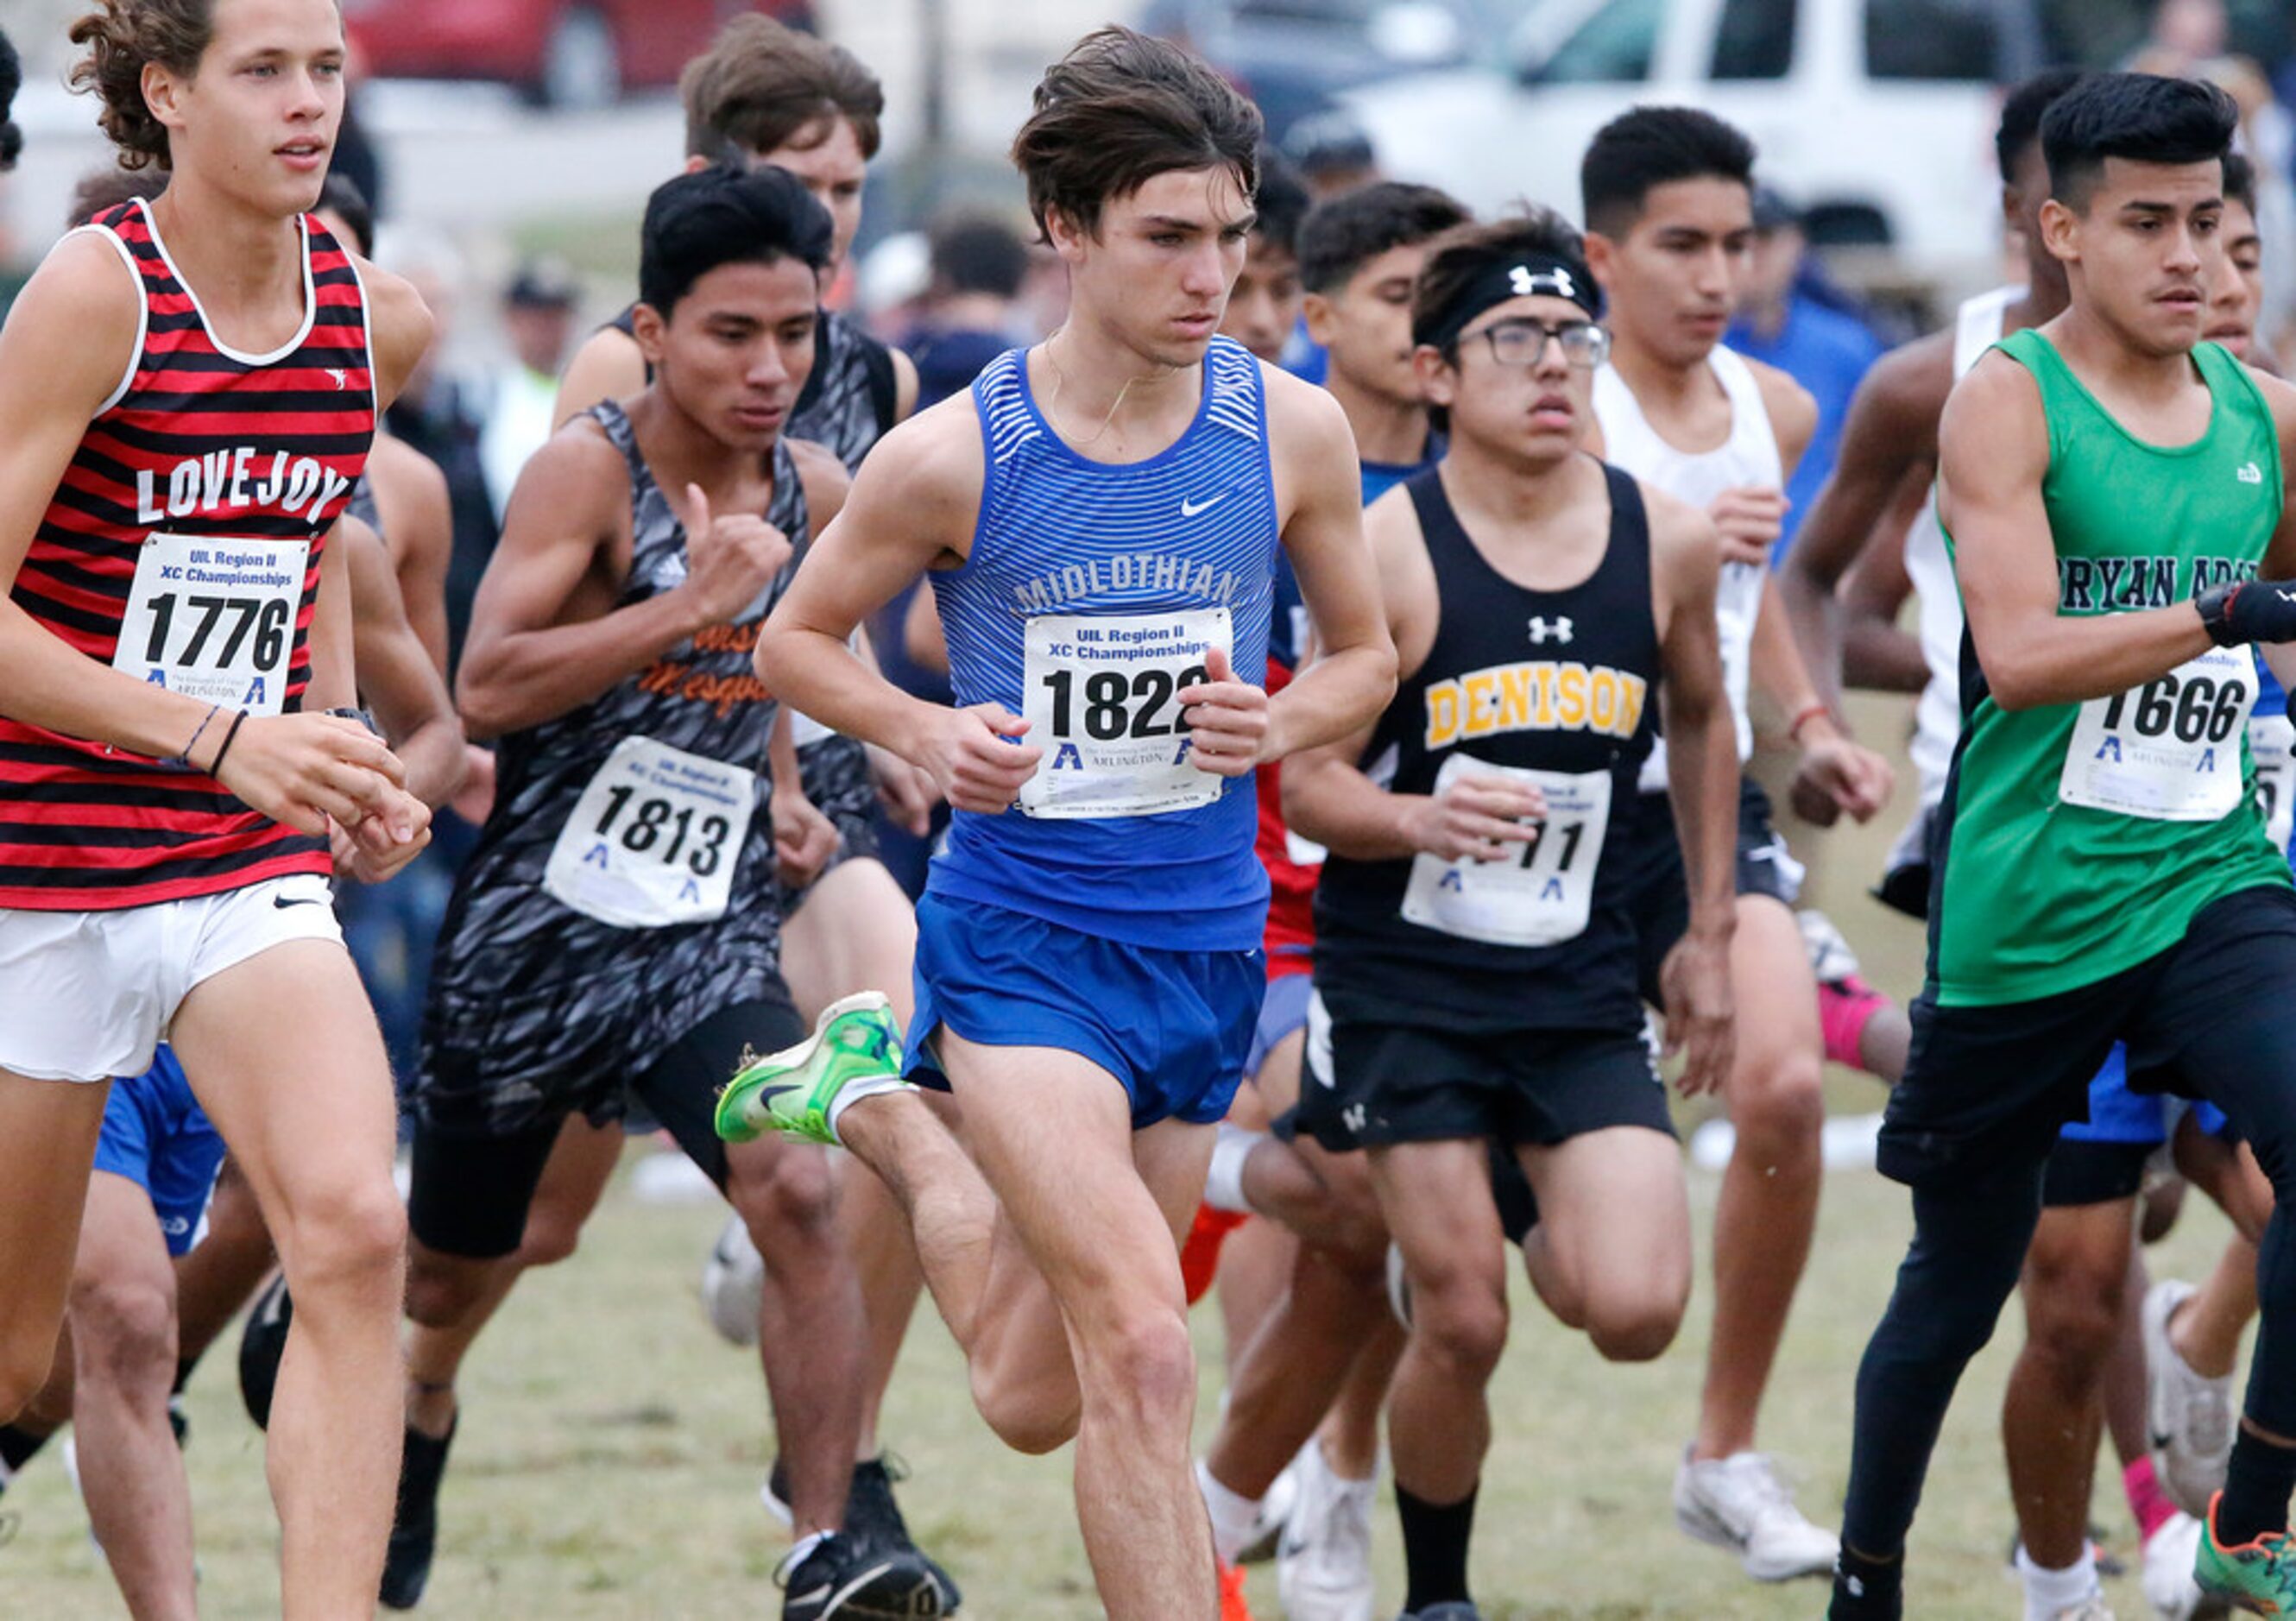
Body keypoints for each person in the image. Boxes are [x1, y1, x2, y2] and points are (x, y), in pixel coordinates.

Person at [728, 28, 1395, 1618]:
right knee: (1150, 1348)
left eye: (1232, 237)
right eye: (1170, 236)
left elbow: (1365, 657)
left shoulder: (1290, 430)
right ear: (1069, 229)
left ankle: (878, 1107)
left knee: (1039, 1389)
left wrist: (1280, 719)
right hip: (1024, 944)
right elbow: (793, 644)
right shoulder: (960, 450)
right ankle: (907, 1082)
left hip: (1204, 946)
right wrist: (926, 726)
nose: (1211, 274)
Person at [394, 163, 943, 1620]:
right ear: (652, 326)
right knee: (456, 1270)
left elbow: (785, 655)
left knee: (798, 1186)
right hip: (534, 940)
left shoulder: (817, 489)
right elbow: (486, 683)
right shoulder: (589, 467)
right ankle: (420, 1403)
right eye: (728, 335)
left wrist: (777, 774)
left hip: (700, 937)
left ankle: (824, 1545)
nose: (770, 370)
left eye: (795, 333)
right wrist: (682, 606)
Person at [1826, 72, 2296, 1619]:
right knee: (1965, 1286)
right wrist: (2223, 613)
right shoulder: (2005, 396)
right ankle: (1868, 1576)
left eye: (2210, 223)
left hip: (2209, 877)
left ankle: (2252, 1513)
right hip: (2028, 907)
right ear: (2061, 230)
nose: (2186, 256)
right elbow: (2020, 655)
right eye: (2144, 222)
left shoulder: (2269, 421)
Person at [0, 0, 434, 1612]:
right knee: (27, 1359)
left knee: (354, 1232)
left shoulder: (375, 315)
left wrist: (331, 746)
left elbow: (293, 542)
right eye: (266, 70)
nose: (308, 101)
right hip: (42, 861)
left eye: (327, 67)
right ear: (168, 92)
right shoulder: (92, 296)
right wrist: (219, 734)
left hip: (236, 860)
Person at [1284, 207, 1738, 1621]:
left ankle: (1517, 1183)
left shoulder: (1658, 538)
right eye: (1514, 339)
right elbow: (1305, 782)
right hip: (1407, 978)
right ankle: (1439, 1594)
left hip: (1575, 976)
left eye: (1573, 338)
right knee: (1466, 1313)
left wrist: (1710, 929)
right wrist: (1417, 816)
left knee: (1636, 1310)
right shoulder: (1389, 547)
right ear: (1435, 373)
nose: (1554, 365)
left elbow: (1708, 719)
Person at [1579, 103, 1892, 1581]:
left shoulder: (1775, 404)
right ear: (1603, 255)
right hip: (1540, 801)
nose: (1716, 274)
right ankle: (1321, 1469)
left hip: (1701, 806)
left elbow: (1748, 592)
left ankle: (1726, 1451)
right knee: (1458, 1234)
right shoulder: (1558, 404)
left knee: (1778, 1079)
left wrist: (1813, 718)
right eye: (1680, 245)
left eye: (1736, 242)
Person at [1186, 175, 1471, 1621]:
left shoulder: (1489, 478)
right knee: (1359, 1193)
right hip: (1258, 903)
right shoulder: (1262, 452)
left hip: (1430, 905)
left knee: (1411, 1237)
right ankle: (1299, 1505)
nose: (1438, 331)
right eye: (1407, 297)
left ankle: (1304, 1495)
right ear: (1321, 317)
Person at [1720, 186, 1883, 559]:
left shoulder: (1849, 348)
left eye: (1766, 239)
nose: (1754, 255)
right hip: (1717, 560)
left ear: (1796, 245)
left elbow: (1877, 470)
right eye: (1739, 242)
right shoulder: (1696, 349)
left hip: (1818, 561)